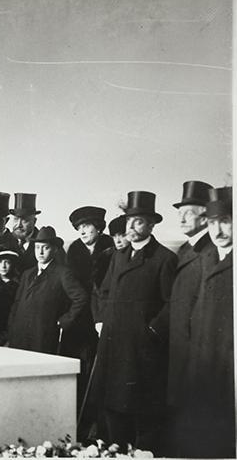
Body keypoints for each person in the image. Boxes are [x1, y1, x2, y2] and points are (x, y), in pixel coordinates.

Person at [93, 191, 177, 453]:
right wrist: (102, 320)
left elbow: (172, 303)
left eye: (138, 221)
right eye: (128, 220)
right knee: (114, 410)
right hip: (114, 346)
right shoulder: (119, 255)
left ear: (152, 225)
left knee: (143, 415)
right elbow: (104, 291)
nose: (130, 227)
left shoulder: (164, 259)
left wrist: (151, 330)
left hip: (142, 352)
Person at [175, 186, 233, 458]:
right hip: (201, 365)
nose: (218, 231)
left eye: (226, 222)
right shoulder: (205, 258)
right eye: (212, 224)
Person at [158, 181, 214, 434]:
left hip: (198, 347)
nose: (181, 217)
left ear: (205, 216)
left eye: (188, 212)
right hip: (178, 343)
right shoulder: (185, 249)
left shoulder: (211, 252)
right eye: (179, 212)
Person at [66, 206, 114, 438]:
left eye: (86, 226)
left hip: (103, 318)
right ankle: (81, 425)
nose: (82, 231)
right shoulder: (74, 249)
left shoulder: (110, 246)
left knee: (102, 370)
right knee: (82, 370)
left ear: (99, 227)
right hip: (81, 321)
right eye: (79, 228)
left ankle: (99, 426)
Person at [7, 226, 88, 355]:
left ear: (55, 249)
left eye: (45, 248)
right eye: (37, 247)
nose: (40, 252)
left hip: (43, 334)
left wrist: (64, 320)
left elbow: (81, 298)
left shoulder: (62, 273)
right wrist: (11, 328)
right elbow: (17, 303)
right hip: (20, 333)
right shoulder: (28, 274)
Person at [9, 193, 42, 272]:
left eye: (25, 220)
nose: (19, 225)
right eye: (16, 219)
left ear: (34, 221)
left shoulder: (45, 242)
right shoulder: (4, 241)